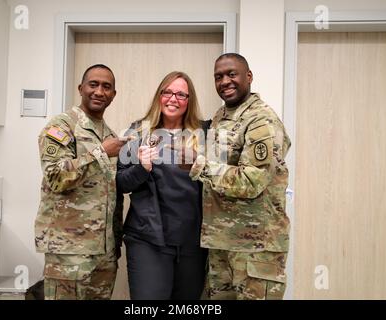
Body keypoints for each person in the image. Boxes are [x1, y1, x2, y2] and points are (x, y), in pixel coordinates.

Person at [185, 53, 291, 300]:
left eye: (232, 74)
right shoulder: (222, 116)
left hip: (256, 249)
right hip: (222, 244)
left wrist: (197, 165)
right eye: (218, 77)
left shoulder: (261, 119)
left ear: (249, 77)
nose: (225, 81)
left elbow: (252, 181)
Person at [34, 64, 126, 300]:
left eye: (106, 87)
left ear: (113, 95)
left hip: (104, 252)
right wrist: (101, 152)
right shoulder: (62, 126)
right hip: (69, 252)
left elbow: (110, 192)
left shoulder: (110, 135)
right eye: (93, 84)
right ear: (81, 88)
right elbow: (55, 177)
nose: (99, 91)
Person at [116, 71, 208, 300]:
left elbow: (218, 182)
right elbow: (121, 183)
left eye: (181, 94)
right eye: (167, 92)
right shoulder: (137, 132)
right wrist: (141, 168)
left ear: (189, 100)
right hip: (148, 240)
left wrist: (199, 160)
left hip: (192, 243)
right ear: (159, 96)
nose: (173, 99)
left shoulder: (205, 134)